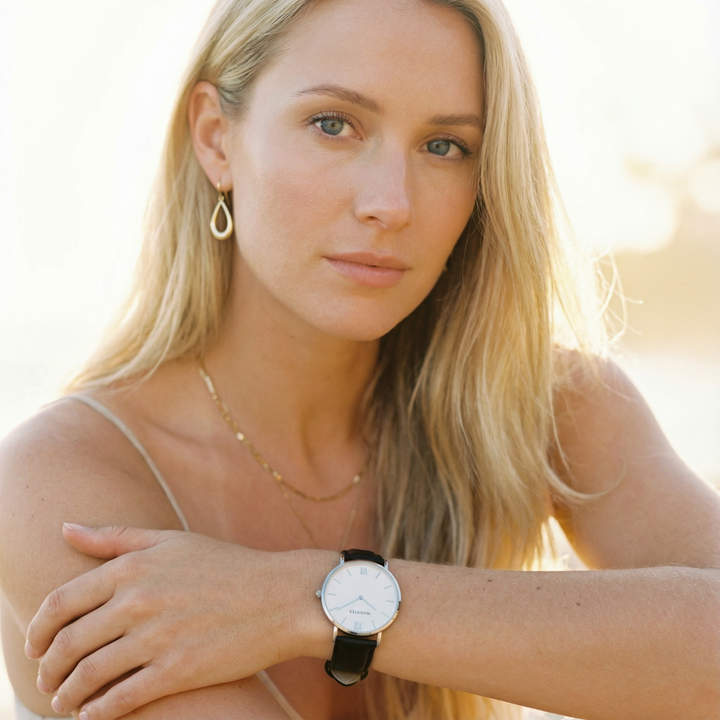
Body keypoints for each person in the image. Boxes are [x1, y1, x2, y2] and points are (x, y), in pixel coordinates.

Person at [1, 0, 718, 718]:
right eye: (333, 124)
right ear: (216, 138)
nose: (391, 203)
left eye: (444, 146)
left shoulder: (545, 409)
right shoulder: (58, 484)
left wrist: (304, 598)